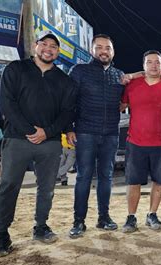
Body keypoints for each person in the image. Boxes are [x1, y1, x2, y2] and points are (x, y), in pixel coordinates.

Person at [0, 30, 76, 257]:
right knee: (8, 186)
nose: (48, 49)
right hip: (16, 139)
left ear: (57, 52)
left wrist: (47, 132)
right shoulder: (16, 69)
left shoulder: (64, 80)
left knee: (47, 189)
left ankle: (41, 227)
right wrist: (31, 131)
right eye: (44, 44)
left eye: (53, 46)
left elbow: (67, 113)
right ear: (35, 46)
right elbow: (7, 103)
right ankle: (1, 234)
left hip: (50, 143)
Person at [67, 34, 125, 238]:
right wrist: (69, 127)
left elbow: (125, 100)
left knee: (106, 176)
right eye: (99, 47)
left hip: (110, 133)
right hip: (85, 132)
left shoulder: (119, 75)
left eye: (107, 48)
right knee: (83, 177)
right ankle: (78, 221)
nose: (103, 51)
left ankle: (104, 218)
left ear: (113, 51)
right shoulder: (79, 71)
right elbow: (68, 101)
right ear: (92, 50)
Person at [119, 50, 161, 233]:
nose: (153, 66)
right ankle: (131, 216)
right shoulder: (133, 84)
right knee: (133, 182)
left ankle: (152, 214)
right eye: (149, 62)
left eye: (157, 62)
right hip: (136, 142)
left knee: (160, 182)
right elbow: (121, 106)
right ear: (143, 66)